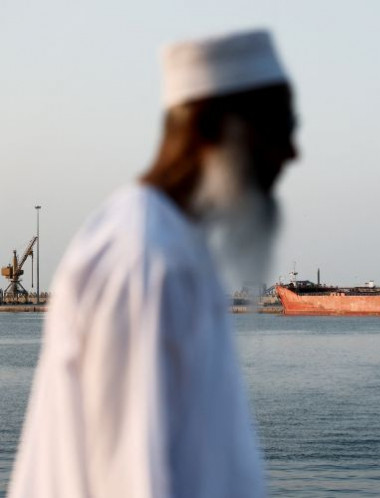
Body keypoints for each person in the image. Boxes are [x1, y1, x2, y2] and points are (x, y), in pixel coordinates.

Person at [8, 29, 297, 498]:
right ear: (213, 126)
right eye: (280, 128)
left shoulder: (172, 247)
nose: (291, 153)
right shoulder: (144, 258)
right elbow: (131, 480)